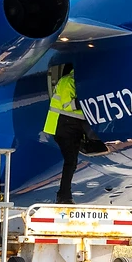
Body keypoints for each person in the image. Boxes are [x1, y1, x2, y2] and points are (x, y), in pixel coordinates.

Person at [44, 62, 87, 205]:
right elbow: (69, 105)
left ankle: (64, 195)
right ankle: (63, 196)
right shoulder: (68, 80)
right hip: (62, 126)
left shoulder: (70, 80)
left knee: (71, 161)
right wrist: (88, 103)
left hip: (66, 125)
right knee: (70, 161)